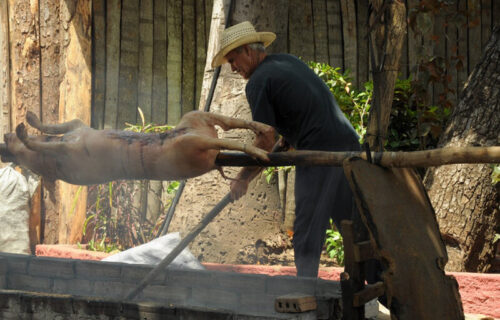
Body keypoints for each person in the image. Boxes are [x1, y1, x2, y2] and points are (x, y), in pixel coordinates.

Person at [212, 21, 361, 278]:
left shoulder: (257, 82)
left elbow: (265, 139)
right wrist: (289, 139)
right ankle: (385, 292)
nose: (233, 68)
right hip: (348, 145)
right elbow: (299, 108)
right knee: (353, 226)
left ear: (248, 50)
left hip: (319, 152)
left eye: (234, 60)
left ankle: (304, 294)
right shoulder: (287, 62)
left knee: (306, 229)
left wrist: (243, 178)